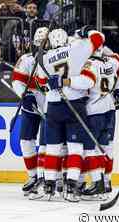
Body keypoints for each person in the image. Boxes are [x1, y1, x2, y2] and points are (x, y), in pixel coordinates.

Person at [37, 27, 105, 202]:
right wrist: (87, 30)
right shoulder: (77, 49)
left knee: (52, 148)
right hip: (74, 104)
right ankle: (71, 187)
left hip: (52, 106)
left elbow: (42, 83)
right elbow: (99, 39)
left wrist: (52, 82)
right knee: (75, 148)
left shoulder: (43, 58)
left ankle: (49, 187)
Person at [81, 46, 119, 200]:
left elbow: (84, 85)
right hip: (110, 108)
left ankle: (97, 182)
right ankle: (106, 182)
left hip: (94, 110)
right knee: (106, 147)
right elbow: (118, 60)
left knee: (91, 149)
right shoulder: (110, 63)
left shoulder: (88, 64)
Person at [11, 27, 49, 196]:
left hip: (51, 107)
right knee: (26, 140)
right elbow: (17, 81)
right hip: (31, 105)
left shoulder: (55, 59)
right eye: (39, 43)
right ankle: (33, 176)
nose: (42, 46)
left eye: (45, 43)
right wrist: (24, 94)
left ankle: (50, 178)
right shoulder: (26, 60)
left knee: (51, 145)